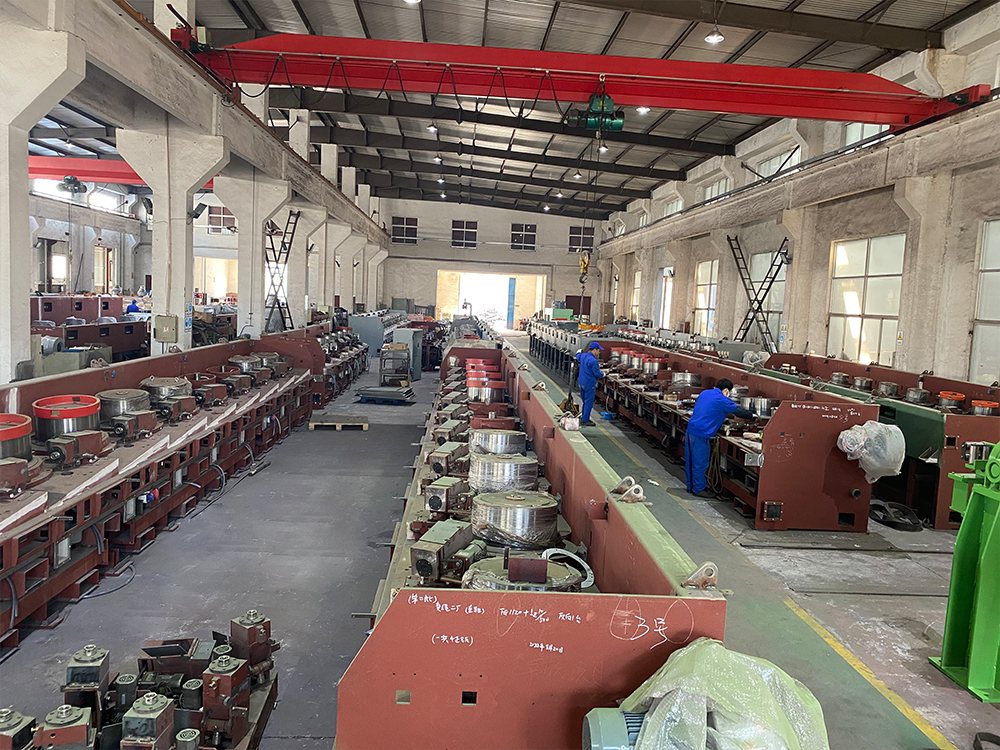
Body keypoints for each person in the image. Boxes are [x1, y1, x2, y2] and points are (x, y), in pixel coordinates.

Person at [685, 378, 753, 497]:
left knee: (691, 460)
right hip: (702, 433)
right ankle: (699, 488)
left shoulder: (705, 393)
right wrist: (752, 415)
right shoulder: (722, 399)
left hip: (691, 429)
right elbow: (738, 411)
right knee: (700, 462)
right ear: (726, 390)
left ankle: (691, 486)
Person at [575, 341, 605, 426]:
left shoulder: (583, 356)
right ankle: (585, 420)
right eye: (598, 351)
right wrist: (603, 374)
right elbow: (597, 374)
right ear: (594, 350)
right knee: (588, 402)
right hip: (589, 384)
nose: (598, 353)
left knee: (585, 401)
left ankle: (584, 417)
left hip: (581, 382)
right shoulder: (594, 361)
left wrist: (578, 351)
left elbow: (577, 356)